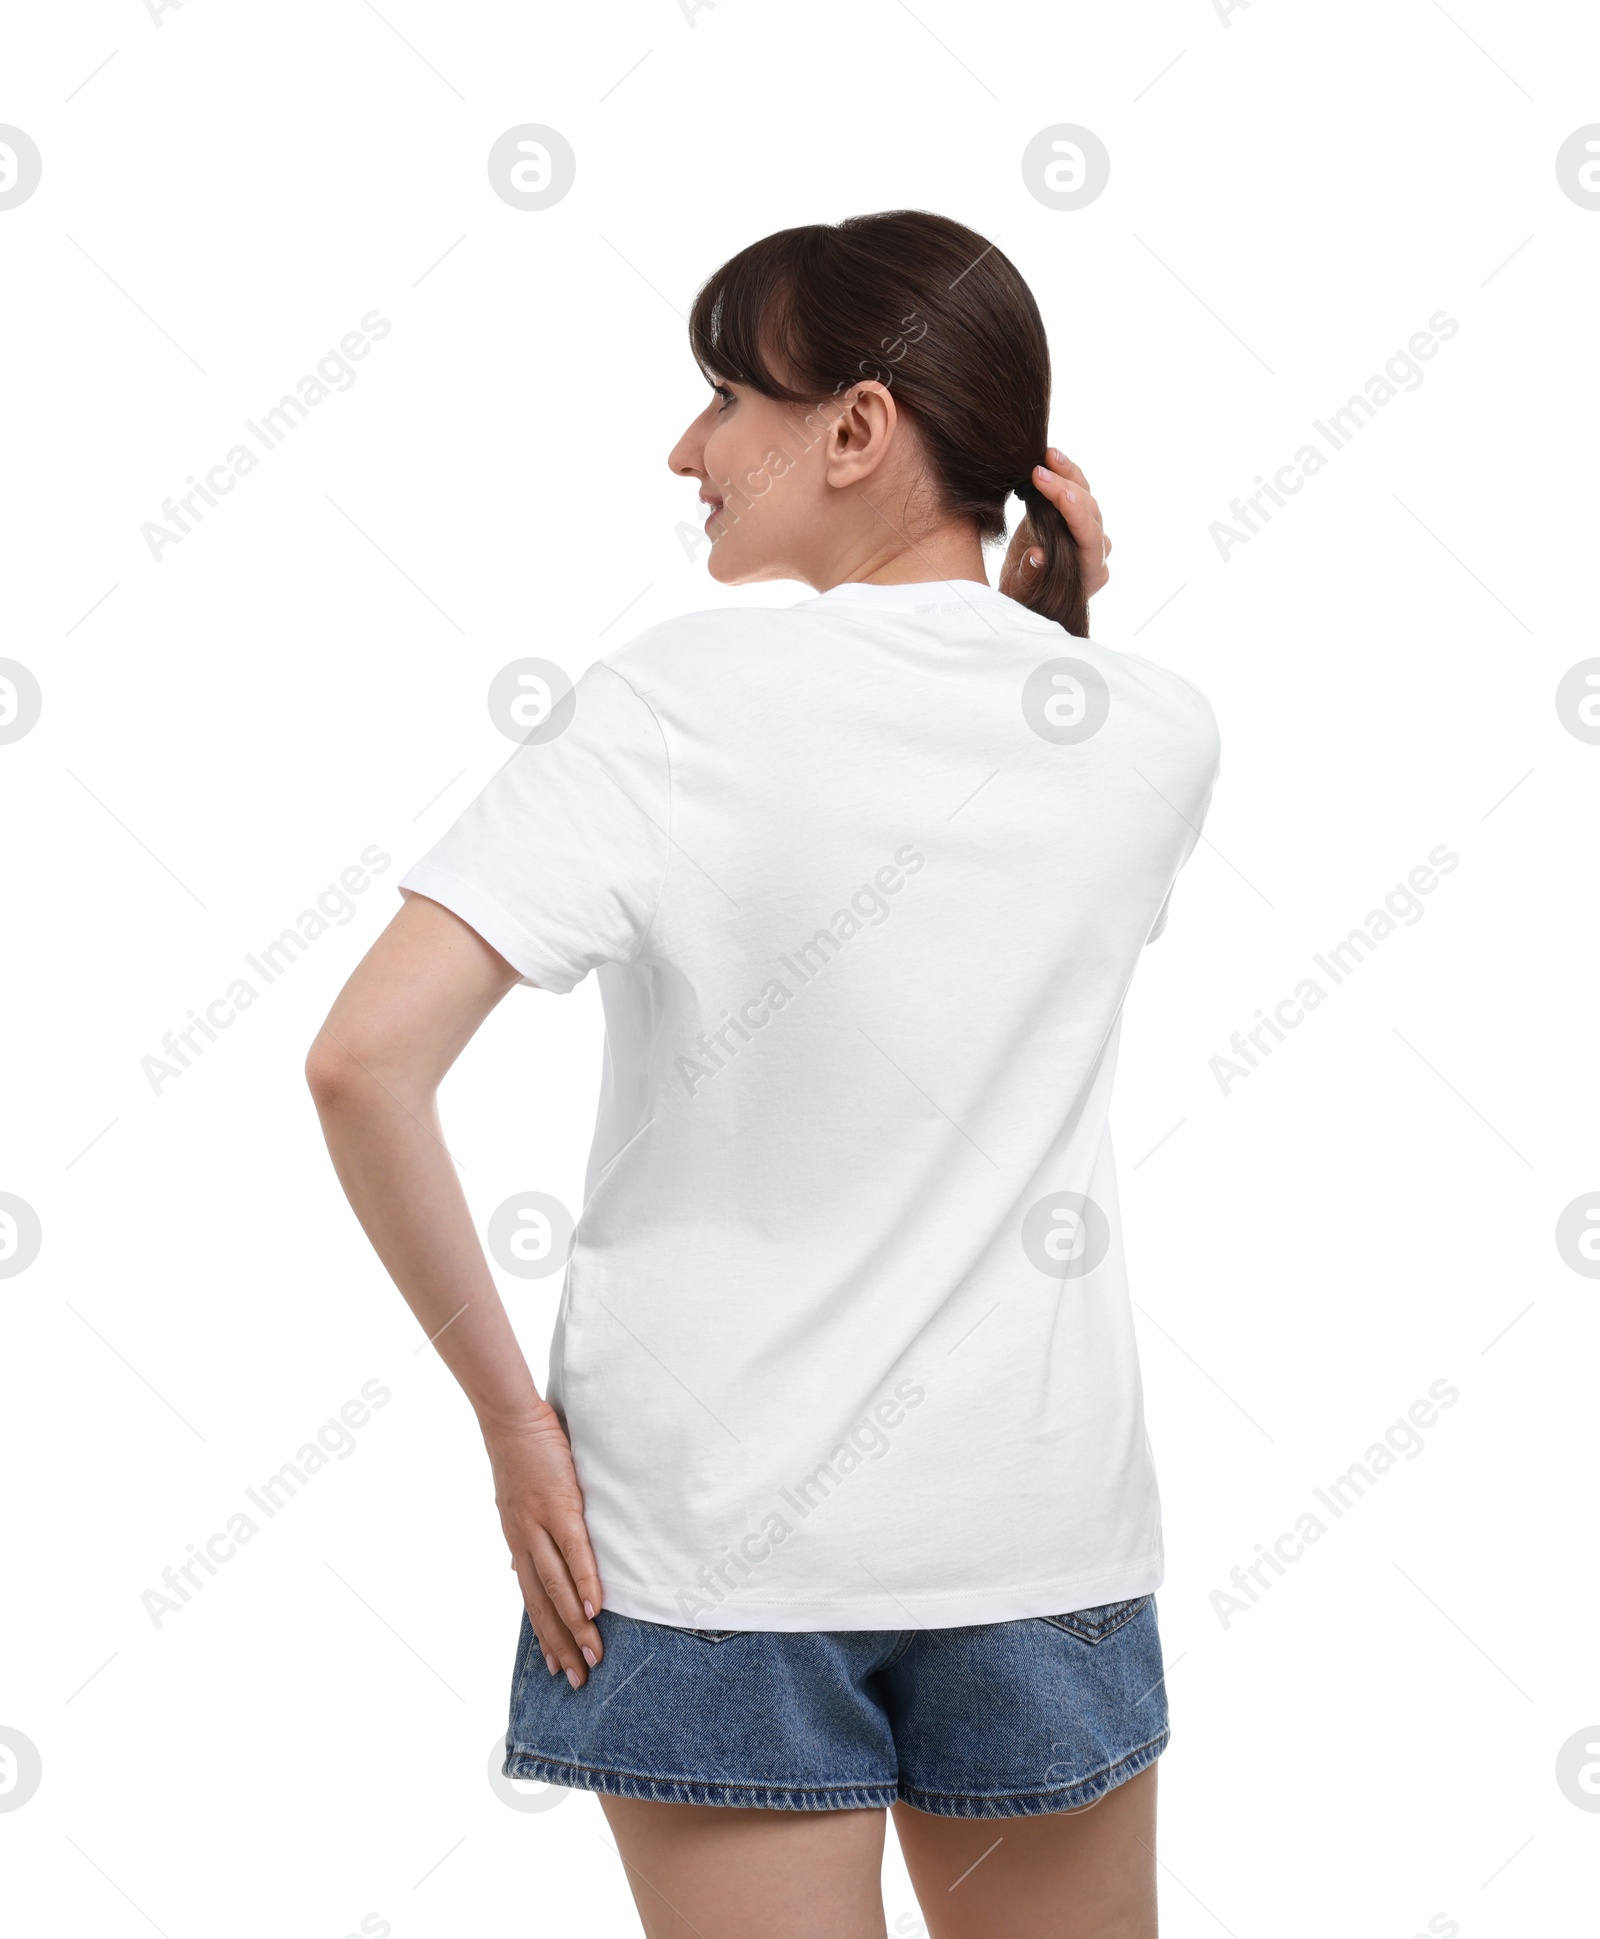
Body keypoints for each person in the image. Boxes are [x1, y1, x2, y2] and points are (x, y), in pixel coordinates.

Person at [308, 209, 1220, 1938]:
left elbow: (363, 1062)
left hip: (712, 1548)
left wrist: (513, 1426)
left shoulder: (672, 703)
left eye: (727, 394)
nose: (688, 447)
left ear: (857, 431)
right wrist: (1056, 633)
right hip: (1045, 1537)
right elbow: (991, 852)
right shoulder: (1157, 732)